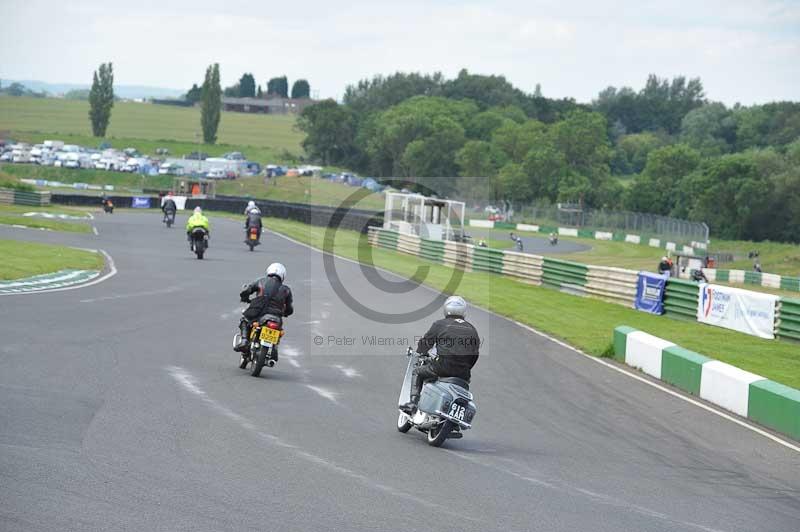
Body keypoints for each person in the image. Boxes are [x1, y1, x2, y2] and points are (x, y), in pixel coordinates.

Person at [400, 295, 480, 414]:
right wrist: (465, 367)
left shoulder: (440, 324)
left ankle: (413, 404)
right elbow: (474, 355)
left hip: (442, 367)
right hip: (464, 374)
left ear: (446, 309)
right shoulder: (472, 329)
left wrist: (421, 353)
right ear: (463, 311)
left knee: (418, 371)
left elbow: (425, 343)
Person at [235, 263, 294, 352]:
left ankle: (244, 341)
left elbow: (247, 290)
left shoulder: (261, 281)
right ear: (283, 276)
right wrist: (285, 312)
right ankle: (274, 349)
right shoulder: (286, 289)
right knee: (279, 330)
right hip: (276, 316)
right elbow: (289, 308)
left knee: (244, 320)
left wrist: (245, 298)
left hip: (258, 311)